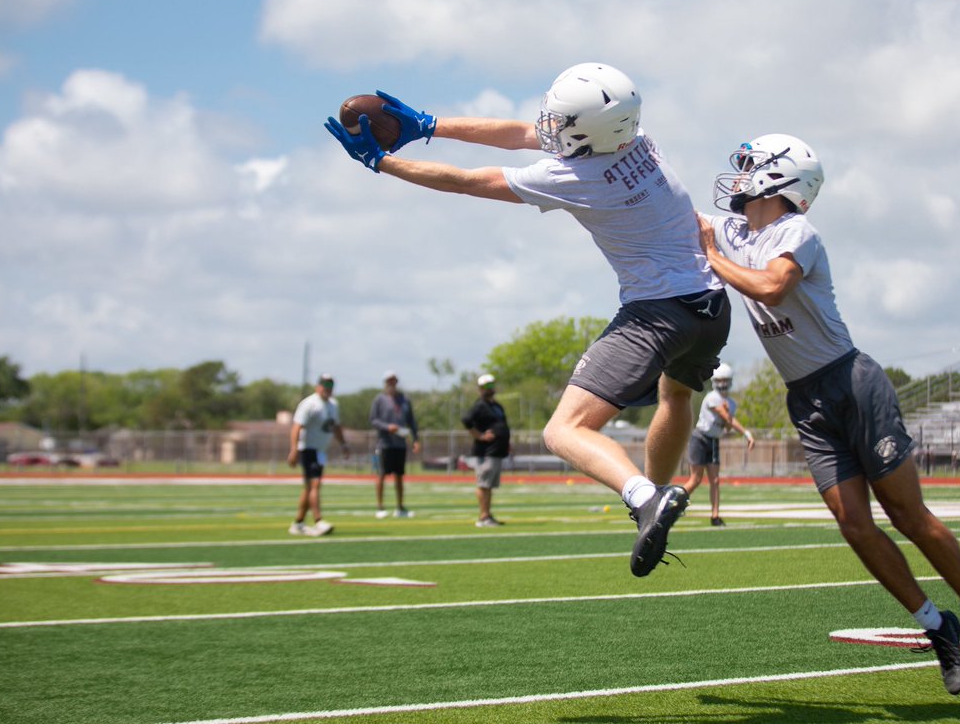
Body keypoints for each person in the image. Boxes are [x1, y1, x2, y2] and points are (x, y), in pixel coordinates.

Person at [326, 63, 730, 577]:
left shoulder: (575, 174)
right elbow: (521, 134)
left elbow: (468, 181)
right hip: (712, 306)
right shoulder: (638, 139)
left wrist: (382, 162)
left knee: (563, 430)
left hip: (658, 311)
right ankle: (653, 505)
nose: (547, 123)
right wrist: (429, 124)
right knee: (675, 397)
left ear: (584, 130)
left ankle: (645, 497)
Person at [697, 133, 960, 695]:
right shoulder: (735, 230)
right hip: (805, 398)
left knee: (908, 516)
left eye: (749, 168)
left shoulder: (797, 232)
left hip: (851, 383)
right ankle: (936, 627)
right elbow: (672, 211)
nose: (739, 178)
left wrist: (713, 260)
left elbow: (770, 287)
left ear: (779, 177)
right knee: (853, 524)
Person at [684, 362, 754, 526]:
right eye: (720, 380)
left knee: (715, 481)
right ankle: (672, 503)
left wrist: (729, 416)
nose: (722, 384)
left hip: (714, 441)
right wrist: (746, 433)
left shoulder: (731, 403)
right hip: (700, 438)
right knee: (695, 479)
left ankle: (715, 516)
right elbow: (724, 416)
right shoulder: (712, 397)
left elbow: (728, 426)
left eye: (725, 380)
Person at [287, 374, 349, 536]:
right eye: (324, 385)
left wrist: (343, 444)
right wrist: (294, 450)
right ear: (317, 386)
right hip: (308, 449)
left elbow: (335, 427)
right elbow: (296, 427)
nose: (326, 388)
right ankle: (318, 520)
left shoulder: (333, 405)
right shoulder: (309, 404)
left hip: (320, 451)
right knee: (315, 484)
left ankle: (298, 523)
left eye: (330, 385)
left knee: (309, 488)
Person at [461, 373, 511, 527]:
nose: (490, 389)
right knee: (483, 484)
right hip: (485, 452)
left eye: (491, 385)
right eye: (486, 386)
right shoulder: (480, 405)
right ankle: (483, 517)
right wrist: (480, 436)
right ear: (481, 388)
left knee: (489, 485)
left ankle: (488, 515)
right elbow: (466, 420)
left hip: (497, 451)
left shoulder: (496, 406)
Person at [370, 370, 420, 518]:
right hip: (385, 443)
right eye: (389, 381)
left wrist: (416, 438)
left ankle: (400, 507)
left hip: (400, 444)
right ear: (385, 383)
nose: (391, 383)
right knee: (382, 474)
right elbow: (373, 420)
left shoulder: (404, 399)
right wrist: (388, 427)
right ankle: (380, 507)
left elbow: (412, 421)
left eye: (394, 381)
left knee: (399, 475)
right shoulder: (379, 399)